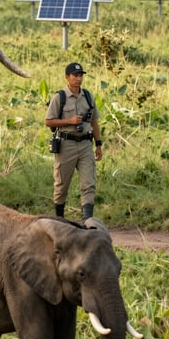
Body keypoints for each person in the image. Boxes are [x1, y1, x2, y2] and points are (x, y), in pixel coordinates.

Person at [45, 62, 103, 220]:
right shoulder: (59, 97)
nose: (78, 79)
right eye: (75, 76)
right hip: (66, 145)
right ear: (67, 77)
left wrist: (98, 144)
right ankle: (59, 220)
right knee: (61, 185)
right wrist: (69, 121)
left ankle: (87, 220)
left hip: (85, 144)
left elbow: (94, 122)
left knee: (88, 183)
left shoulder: (88, 96)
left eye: (80, 75)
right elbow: (49, 121)